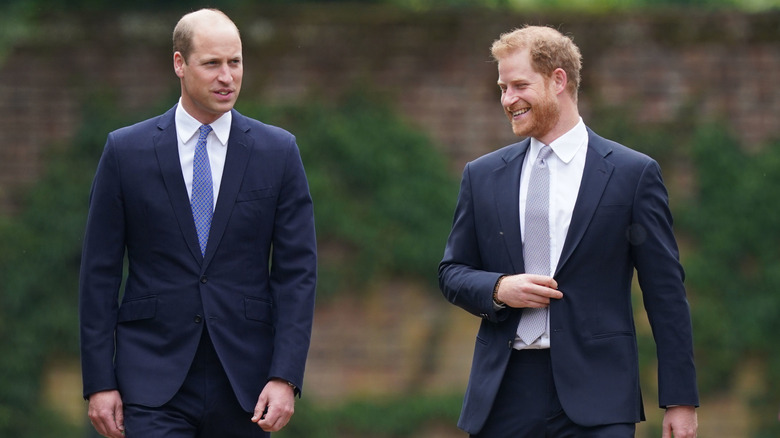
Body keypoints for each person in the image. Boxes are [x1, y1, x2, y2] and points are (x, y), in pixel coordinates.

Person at [438, 25, 698, 437]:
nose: (508, 100)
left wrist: (681, 400)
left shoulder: (633, 174)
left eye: (519, 85)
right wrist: (498, 288)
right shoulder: (481, 175)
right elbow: (451, 272)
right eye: (503, 88)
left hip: (600, 399)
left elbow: (665, 293)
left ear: (558, 80)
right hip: (503, 395)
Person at [79, 9, 317, 438]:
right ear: (179, 64)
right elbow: (98, 274)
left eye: (235, 62)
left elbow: (297, 274)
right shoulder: (125, 152)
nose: (227, 76)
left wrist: (286, 376)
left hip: (246, 383)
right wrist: (99, 382)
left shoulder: (278, 152)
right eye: (212, 63)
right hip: (150, 378)